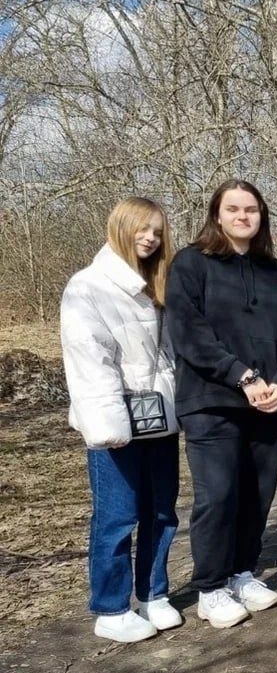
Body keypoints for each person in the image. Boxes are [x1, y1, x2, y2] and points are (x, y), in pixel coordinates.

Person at [167, 179, 277, 628]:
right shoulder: (192, 264)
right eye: (233, 209)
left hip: (270, 404)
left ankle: (242, 572)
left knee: (257, 493)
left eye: (251, 209)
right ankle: (210, 587)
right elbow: (189, 334)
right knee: (218, 494)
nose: (243, 216)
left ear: (262, 216)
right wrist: (242, 376)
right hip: (212, 402)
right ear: (217, 214)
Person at [60, 197, 180, 643]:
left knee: (162, 511)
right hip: (116, 422)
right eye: (142, 229)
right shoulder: (87, 286)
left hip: (159, 417)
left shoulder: (159, 284)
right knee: (117, 516)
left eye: (157, 231)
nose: (150, 238)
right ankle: (110, 607)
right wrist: (109, 425)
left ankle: (154, 593)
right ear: (120, 227)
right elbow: (89, 360)